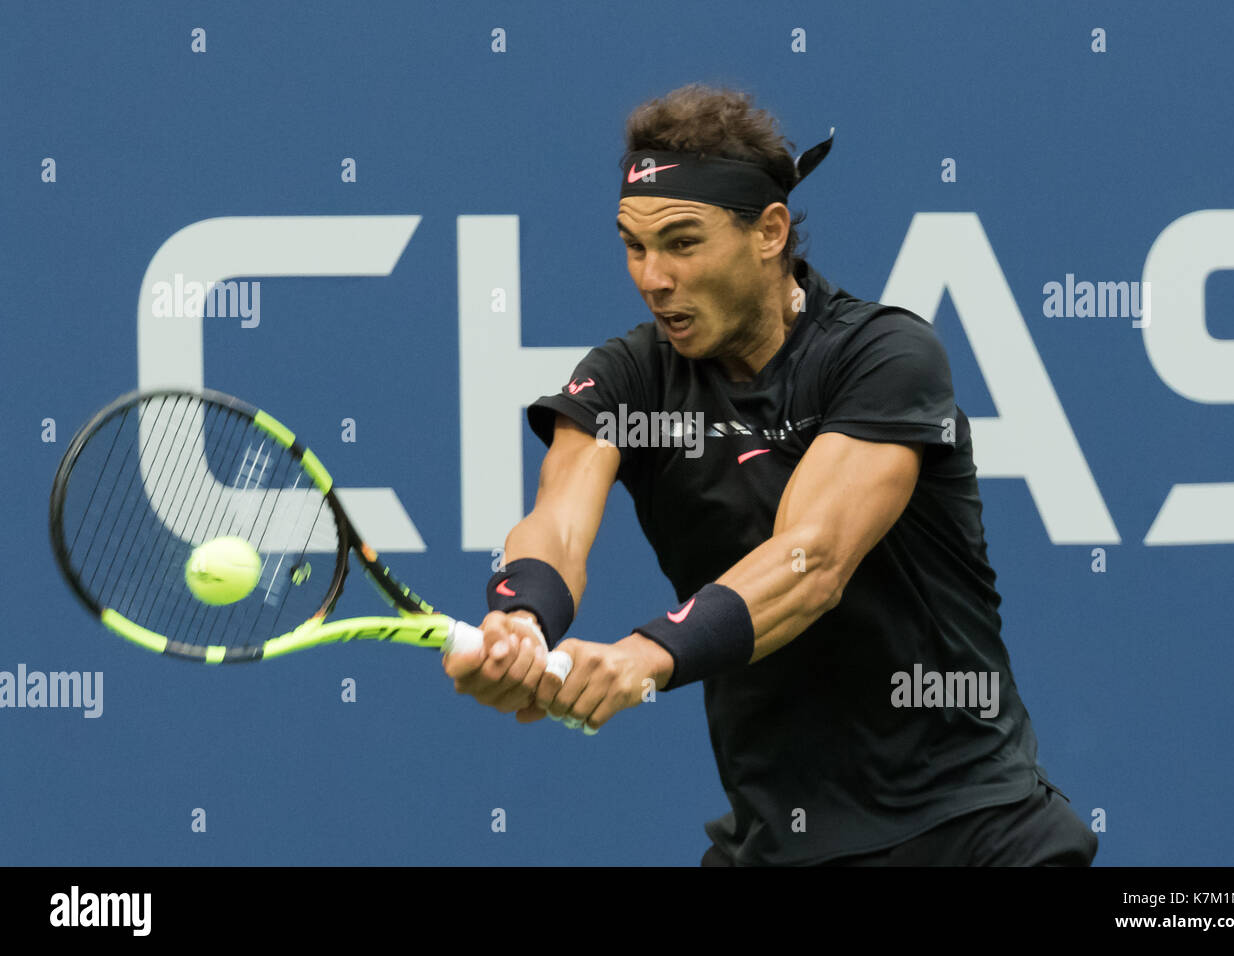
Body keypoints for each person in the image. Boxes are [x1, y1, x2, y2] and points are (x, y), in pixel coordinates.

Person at [442, 83, 1098, 867]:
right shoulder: (627, 377)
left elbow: (810, 561)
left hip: (971, 833)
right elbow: (558, 520)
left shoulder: (884, 356)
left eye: (683, 243)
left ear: (770, 232)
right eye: (633, 245)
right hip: (783, 840)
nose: (652, 277)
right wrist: (524, 616)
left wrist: (641, 657)